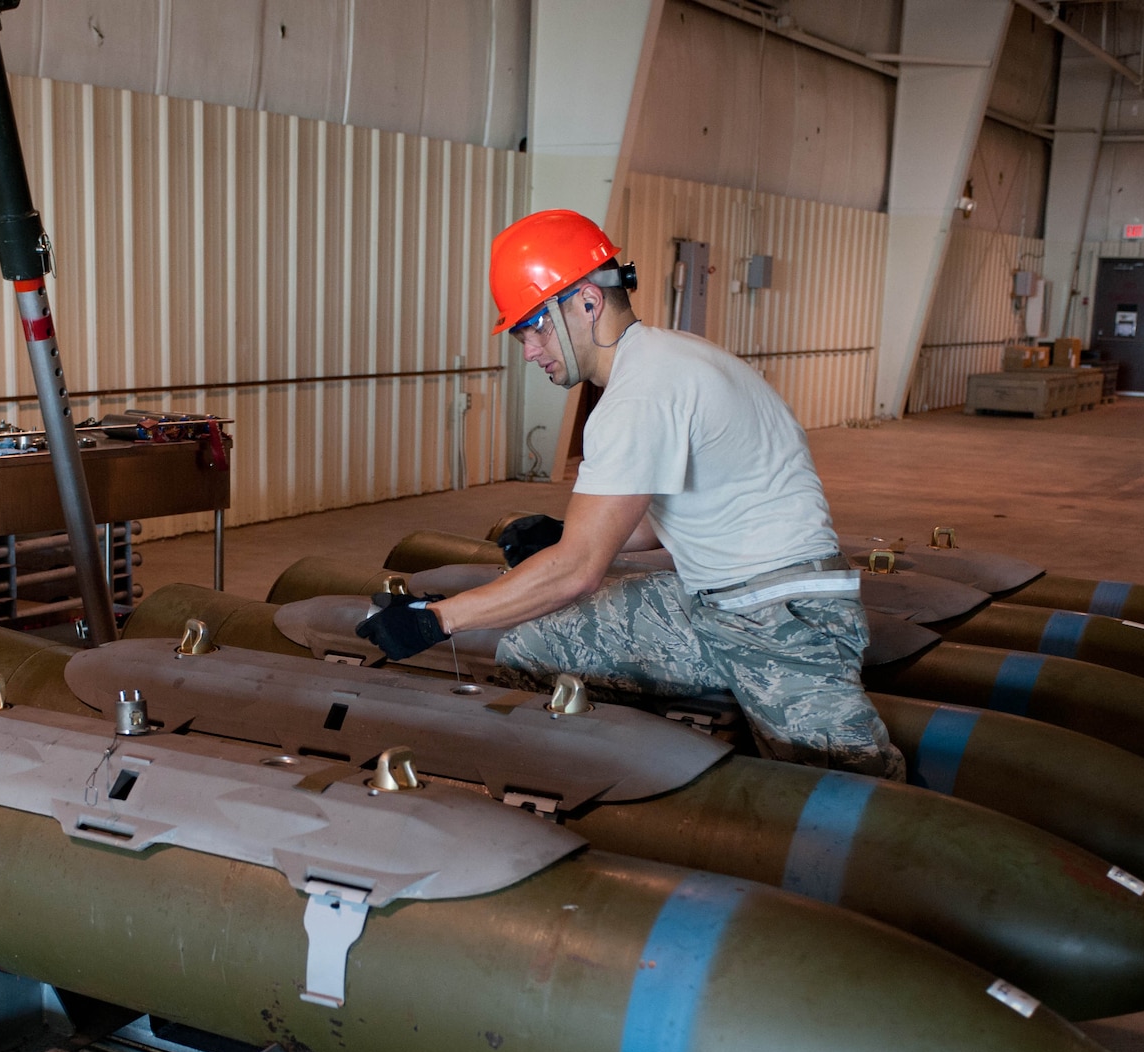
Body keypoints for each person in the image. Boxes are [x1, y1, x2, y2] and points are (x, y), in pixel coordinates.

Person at [356, 210, 903, 779]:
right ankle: (619, 776)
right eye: (519, 333)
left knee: (849, 786)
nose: (528, 350)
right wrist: (567, 533)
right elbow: (648, 522)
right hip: (713, 601)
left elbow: (576, 573)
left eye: (534, 325)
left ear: (588, 303)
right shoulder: (668, 359)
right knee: (533, 647)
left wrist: (435, 620)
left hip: (781, 615)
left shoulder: (640, 396)